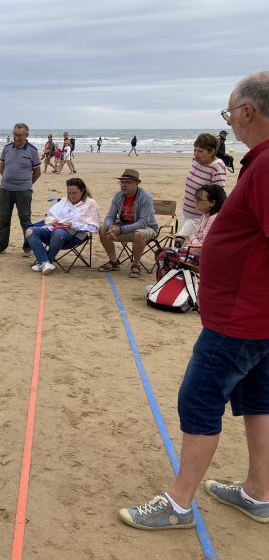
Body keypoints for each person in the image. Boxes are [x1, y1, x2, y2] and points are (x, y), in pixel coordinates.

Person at [119, 71, 269, 531]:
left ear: (247, 112)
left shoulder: (265, 164)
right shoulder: (259, 161)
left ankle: (179, 504)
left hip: (240, 318)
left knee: (199, 398)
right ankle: (258, 494)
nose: (230, 123)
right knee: (258, 399)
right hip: (255, 317)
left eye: (229, 114)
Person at [24, 177, 99, 274]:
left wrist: (73, 224)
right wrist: (53, 221)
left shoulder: (91, 204)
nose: (71, 196)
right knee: (30, 231)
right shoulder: (64, 201)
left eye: (74, 193)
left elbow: (94, 227)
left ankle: (45, 261)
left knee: (59, 232)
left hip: (73, 236)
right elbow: (48, 216)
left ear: (82, 190)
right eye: (69, 193)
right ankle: (45, 263)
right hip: (54, 232)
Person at [0, 122, 41, 256]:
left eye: (20, 135)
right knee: (4, 218)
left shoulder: (32, 151)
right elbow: (2, 168)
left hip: (24, 190)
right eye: (15, 134)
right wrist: (8, 180)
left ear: (26, 135)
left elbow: (37, 172)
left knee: (25, 218)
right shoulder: (6, 149)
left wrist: (27, 184)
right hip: (6, 189)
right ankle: (0, 246)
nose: (17, 138)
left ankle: (28, 247)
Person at [155, 183, 226, 280]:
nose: (196, 201)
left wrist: (194, 241)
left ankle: (164, 284)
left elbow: (204, 244)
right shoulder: (205, 215)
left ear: (212, 203)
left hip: (203, 257)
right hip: (194, 251)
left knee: (165, 256)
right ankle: (169, 284)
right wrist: (194, 240)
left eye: (199, 200)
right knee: (160, 251)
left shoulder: (214, 218)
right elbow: (193, 234)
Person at [97, 169, 159, 278]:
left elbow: (143, 223)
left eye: (128, 182)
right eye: (122, 182)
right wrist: (110, 228)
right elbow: (110, 216)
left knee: (138, 233)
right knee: (102, 228)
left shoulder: (145, 197)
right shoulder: (118, 196)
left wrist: (120, 230)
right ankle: (114, 262)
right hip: (124, 225)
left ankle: (136, 265)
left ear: (137, 184)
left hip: (148, 228)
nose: (123, 185)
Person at [179, 133, 227, 237]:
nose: (196, 154)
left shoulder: (216, 167)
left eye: (200, 151)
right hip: (186, 212)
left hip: (199, 217)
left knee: (180, 244)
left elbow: (219, 196)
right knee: (185, 248)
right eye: (195, 150)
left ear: (212, 152)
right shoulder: (196, 161)